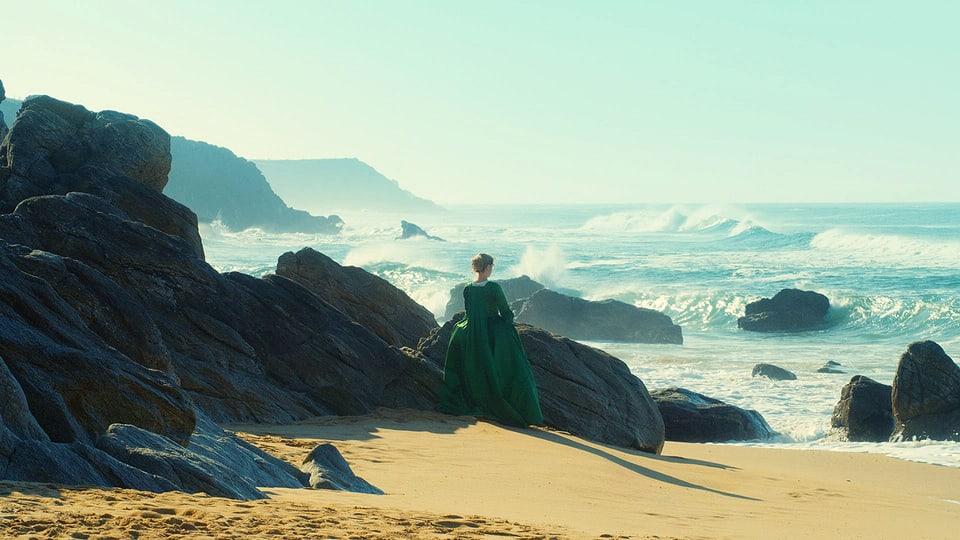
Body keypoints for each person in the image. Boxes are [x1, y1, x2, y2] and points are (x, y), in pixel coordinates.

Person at [439, 253, 543, 427]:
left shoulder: (468, 288)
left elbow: (469, 313)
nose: (491, 270)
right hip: (492, 330)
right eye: (492, 266)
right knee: (516, 368)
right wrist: (509, 323)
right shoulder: (493, 287)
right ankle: (522, 410)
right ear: (487, 267)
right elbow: (505, 311)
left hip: (472, 331)